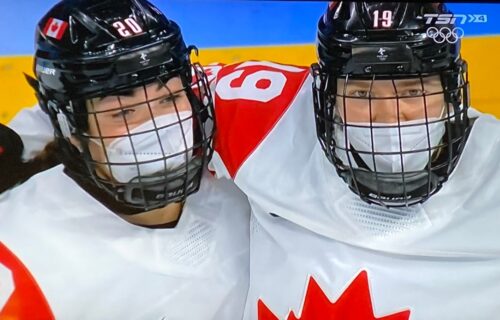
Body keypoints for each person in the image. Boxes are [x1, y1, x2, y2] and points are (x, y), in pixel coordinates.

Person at [209, 2, 500, 319]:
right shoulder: (269, 121)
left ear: (449, 89)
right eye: (362, 94)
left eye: (413, 91)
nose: (389, 117)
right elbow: (161, 92)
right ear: (327, 95)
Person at [0, 0, 249, 319]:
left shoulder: (251, 178)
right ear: (68, 125)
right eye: (123, 112)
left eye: (170, 98)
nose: (157, 128)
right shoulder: (19, 255)